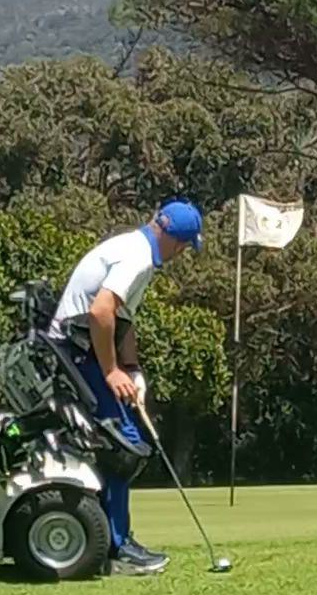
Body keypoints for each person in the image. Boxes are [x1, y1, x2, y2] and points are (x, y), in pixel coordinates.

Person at [49, 199, 204, 575]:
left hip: (81, 350)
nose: (183, 253)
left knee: (121, 444)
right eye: (184, 246)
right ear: (176, 241)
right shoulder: (137, 257)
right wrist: (112, 372)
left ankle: (109, 543)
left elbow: (122, 319)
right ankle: (117, 549)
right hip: (77, 351)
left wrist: (131, 369)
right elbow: (101, 311)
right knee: (125, 445)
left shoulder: (134, 248)